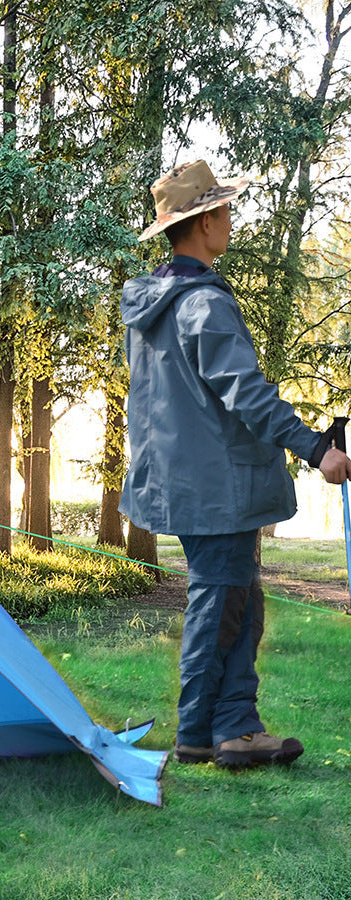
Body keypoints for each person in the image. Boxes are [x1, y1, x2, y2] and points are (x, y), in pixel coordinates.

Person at [120, 159, 351, 770]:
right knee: (223, 604)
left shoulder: (154, 304)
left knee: (236, 601)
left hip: (183, 483)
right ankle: (203, 732)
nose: (230, 219)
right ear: (204, 222)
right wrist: (316, 448)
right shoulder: (201, 303)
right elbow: (245, 392)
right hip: (215, 488)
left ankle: (232, 728)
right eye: (223, 210)